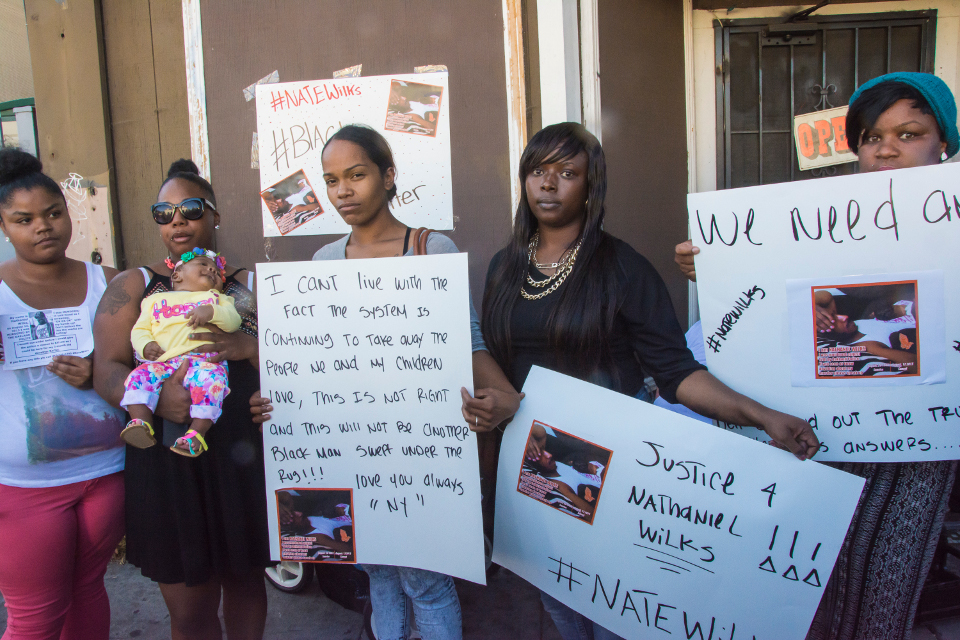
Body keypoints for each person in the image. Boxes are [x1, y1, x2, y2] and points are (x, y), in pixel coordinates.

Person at [481, 122, 820, 640]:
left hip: (609, 462)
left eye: (567, 173)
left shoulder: (622, 268)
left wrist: (763, 416)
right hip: (535, 457)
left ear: (591, 186)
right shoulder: (506, 268)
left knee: (617, 607)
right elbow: (497, 365)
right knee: (558, 595)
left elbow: (678, 373)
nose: (548, 184)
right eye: (537, 170)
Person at [673, 71, 960, 640]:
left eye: (909, 133)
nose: (887, 150)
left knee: (886, 588)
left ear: (943, 143)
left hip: (919, 443)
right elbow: (769, 308)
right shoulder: (810, 221)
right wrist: (717, 266)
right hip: (815, 436)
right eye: (872, 136)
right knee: (803, 583)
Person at [252, 123, 521, 640]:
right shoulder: (323, 261)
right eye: (331, 181)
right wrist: (279, 398)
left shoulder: (429, 249)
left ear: (388, 175)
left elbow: (465, 340)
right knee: (375, 574)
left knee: (425, 580)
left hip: (417, 451)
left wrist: (507, 396)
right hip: (353, 449)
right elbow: (315, 359)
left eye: (357, 175)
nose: (343, 192)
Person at [93, 159, 270, 640]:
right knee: (189, 606)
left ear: (214, 216)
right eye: (164, 211)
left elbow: (295, 363)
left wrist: (250, 349)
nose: (177, 220)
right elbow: (106, 366)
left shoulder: (249, 287)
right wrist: (153, 404)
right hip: (167, 460)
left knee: (246, 582)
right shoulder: (134, 287)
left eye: (190, 208)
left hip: (242, 457)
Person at [0, 147, 126, 639]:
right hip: (25, 486)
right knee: (35, 616)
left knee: (88, 591)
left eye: (53, 213)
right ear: (5, 226)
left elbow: (145, 366)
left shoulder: (110, 282)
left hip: (105, 473)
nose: (43, 226)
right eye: (23, 219)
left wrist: (103, 370)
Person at [120, 248, 239, 456]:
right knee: (138, 376)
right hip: (164, 361)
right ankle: (141, 424)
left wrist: (212, 311)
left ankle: (196, 434)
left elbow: (233, 322)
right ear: (177, 275)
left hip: (204, 362)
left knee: (214, 383)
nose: (211, 268)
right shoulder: (154, 300)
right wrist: (146, 345)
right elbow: (139, 330)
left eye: (217, 272)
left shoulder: (218, 299)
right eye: (203, 264)